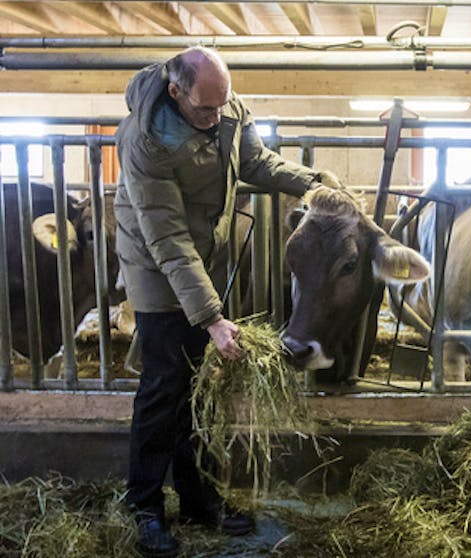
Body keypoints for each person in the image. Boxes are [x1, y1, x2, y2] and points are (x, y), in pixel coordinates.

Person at [115, 46, 339, 558]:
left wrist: (316, 186)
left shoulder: (226, 108)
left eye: (224, 104)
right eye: (206, 109)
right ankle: (145, 505)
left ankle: (197, 500)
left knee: (196, 387)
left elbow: (255, 161)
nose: (218, 116)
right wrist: (213, 317)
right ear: (176, 92)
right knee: (164, 384)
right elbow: (167, 239)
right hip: (155, 263)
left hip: (202, 253)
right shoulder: (146, 140)